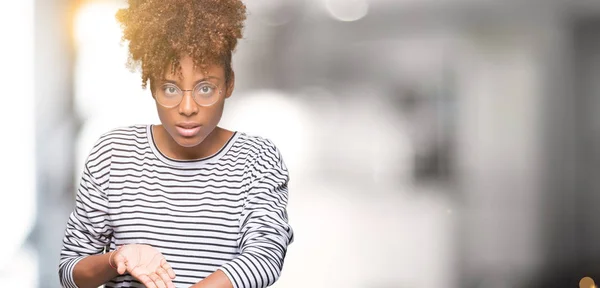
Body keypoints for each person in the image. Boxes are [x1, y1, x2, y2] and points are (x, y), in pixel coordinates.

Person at [58, 1, 294, 287]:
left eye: (205, 88)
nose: (187, 107)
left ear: (229, 83)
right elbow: (70, 271)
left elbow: (265, 256)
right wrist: (115, 259)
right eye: (170, 88)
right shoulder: (113, 154)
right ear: (152, 86)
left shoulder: (257, 159)